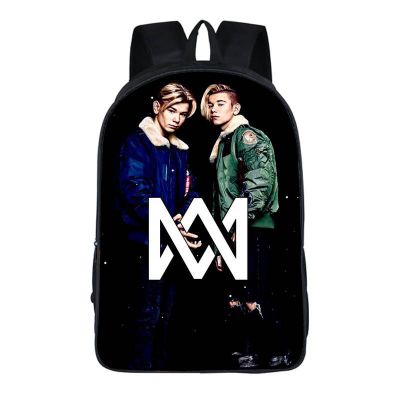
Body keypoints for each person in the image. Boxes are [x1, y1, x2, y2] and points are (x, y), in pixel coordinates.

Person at [200, 83, 288, 368]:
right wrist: (219, 246)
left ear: (235, 108)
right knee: (236, 298)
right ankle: (249, 353)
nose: (214, 109)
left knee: (255, 294)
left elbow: (259, 182)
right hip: (232, 231)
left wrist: (240, 224)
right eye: (211, 104)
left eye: (221, 103)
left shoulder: (246, 137)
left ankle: (277, 352)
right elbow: (220, 202)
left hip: (252, 227)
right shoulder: (223, 143)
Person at [117, 83, 201, 369]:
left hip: (172, 246)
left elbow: (192, 190)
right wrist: (169, 224)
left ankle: (161, 378)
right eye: (172, 110)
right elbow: (134, 191)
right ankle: (140, 376)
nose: (177, 119)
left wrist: (180, 219)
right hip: (144, 244)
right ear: (157, 107)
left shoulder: (180, 150)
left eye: (183, 114)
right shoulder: (137, 143)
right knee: (145, 316)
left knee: (168, 316)